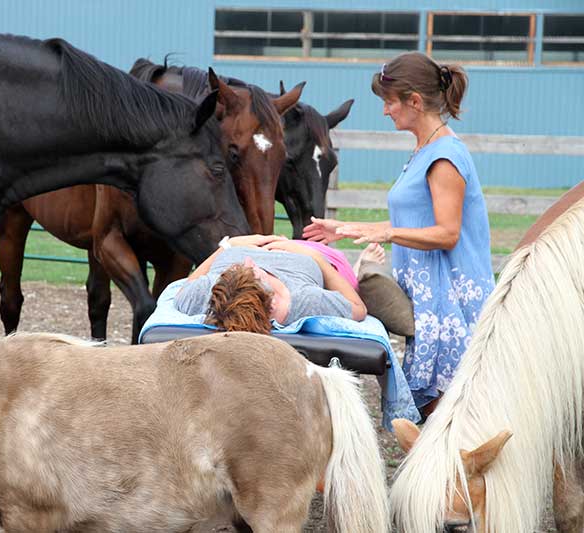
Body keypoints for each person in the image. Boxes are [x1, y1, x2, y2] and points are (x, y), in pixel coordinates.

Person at [303, 52, 495, 418]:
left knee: (452, 417)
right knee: (439, 418)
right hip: (428, 302)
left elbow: (448, 233)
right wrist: (342, 228)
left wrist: (384, 231)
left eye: (389, 102)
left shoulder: (444, 157)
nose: (385, 111)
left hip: (450, 306)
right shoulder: (426, 149)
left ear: (415, 102)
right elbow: (419, 216)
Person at [173, 234, 373, 334]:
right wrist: (317, 259)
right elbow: (358, 308)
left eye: (235, 269)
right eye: (256, 273)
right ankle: (363, 261)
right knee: (343, 264)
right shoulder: (307, 300)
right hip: (303, 250)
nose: (249, 261)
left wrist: (227, 246)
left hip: (241, 244)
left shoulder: (204, 294)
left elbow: (181, 291)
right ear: (273, 303)